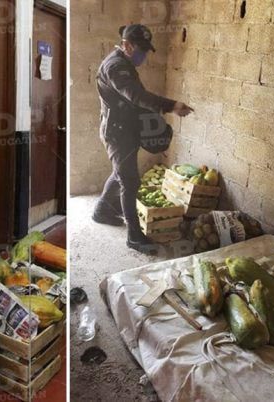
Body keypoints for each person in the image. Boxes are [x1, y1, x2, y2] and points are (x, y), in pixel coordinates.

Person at [92, 24, 193, 251]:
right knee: (130, 181)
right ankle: (134, 236)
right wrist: (171, 106)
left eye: (146, 50)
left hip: (126, 129)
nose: (144, 55)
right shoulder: (116, 66)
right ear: (126, 45)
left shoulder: (124, 62)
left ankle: (102, 211)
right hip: (117, 133)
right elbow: (135, 96)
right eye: (141, 50)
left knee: (120, 172)